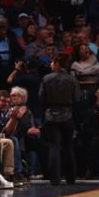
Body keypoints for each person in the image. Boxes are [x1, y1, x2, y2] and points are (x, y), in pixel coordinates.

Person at [39, 53, 81, 186]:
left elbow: (41, 98)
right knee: (68, 147)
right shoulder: (71, 79)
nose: (51, 64)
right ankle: (71, 178)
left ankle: (55, 179)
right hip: (67, 115)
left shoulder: (46, 78)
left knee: (54, 147)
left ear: (57, 63)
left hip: (50, 115)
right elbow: (77, 98)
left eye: (52, 62)